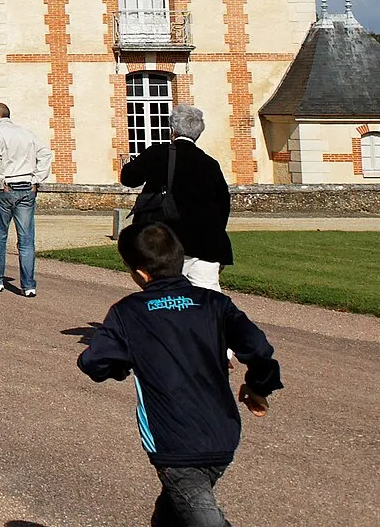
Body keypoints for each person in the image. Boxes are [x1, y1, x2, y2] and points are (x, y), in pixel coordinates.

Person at [78, 221, 282, 526]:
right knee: (174, 512)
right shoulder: (215, 303)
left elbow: (93, 362)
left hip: (173, 443)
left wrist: (121, 365)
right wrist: (257, 386)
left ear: (140, 273)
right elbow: (258, 348)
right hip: (222, 432)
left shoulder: (129, 311)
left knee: (201, 515)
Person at [121, 105, 234, 291]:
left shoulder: (157, 154)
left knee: (165, 293)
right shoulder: (210, 164)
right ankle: (213, 321)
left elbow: (129, 178)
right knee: (208, 295)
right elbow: (224, 205)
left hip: (170, 242)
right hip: (208, 242)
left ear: (172, 130)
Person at [0, 101, 54, 297]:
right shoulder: (25, 133)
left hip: (6, 187)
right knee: (26, 240)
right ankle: (28, 285)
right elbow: (45, 153)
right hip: (27, 187)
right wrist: (36, 179)